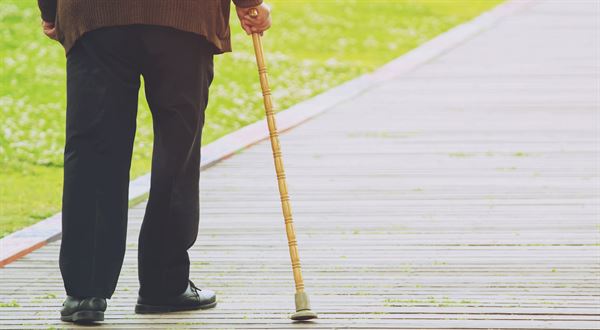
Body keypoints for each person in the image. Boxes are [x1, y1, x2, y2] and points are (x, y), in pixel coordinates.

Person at [36, 0, 272, 324]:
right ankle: (164, 282)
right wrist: (250, 4)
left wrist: (50, 10)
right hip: (184, 13)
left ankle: (85, 291)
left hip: (95, 13)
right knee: (178, 146)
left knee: (94, 145)